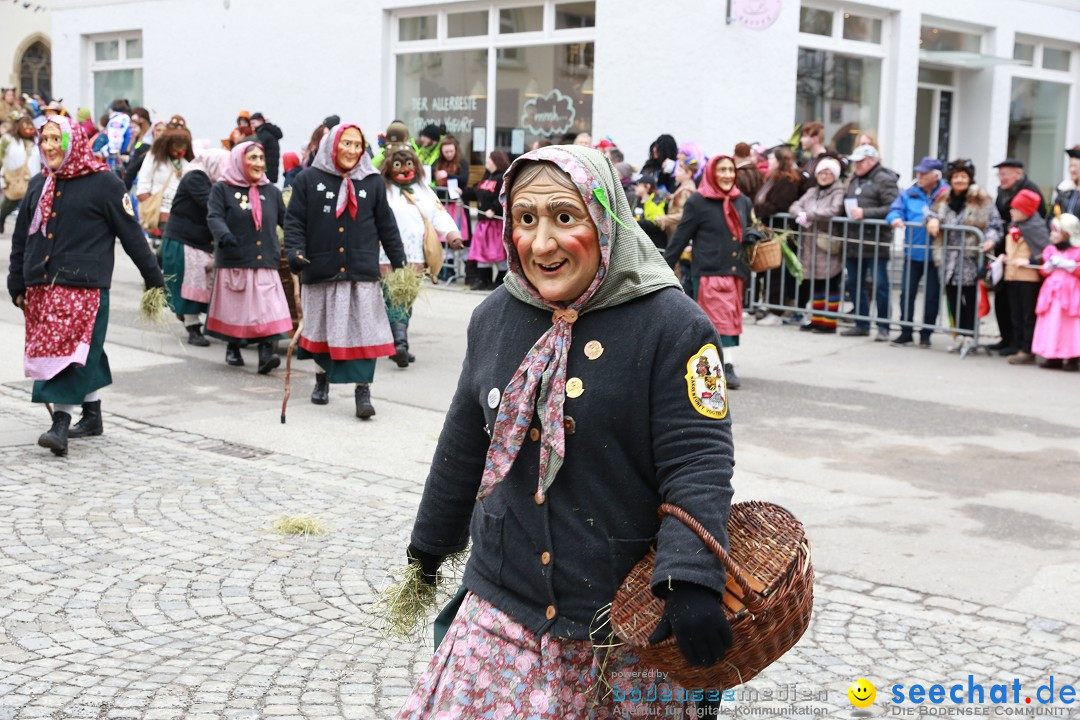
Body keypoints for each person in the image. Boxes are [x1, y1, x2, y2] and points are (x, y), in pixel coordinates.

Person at [397, 145, 734, 719]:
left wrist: (690, 577)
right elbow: (463, 444)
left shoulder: (675, 325)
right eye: (526, 219)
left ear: (605, 219)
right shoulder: (496, 316)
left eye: (565, 216)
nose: (542, 242)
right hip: (505, 602)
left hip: (622, 623)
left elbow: (698, 460)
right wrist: (428, 550)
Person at [7, 115, 165, 456]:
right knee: (84, 350)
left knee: (69, 355)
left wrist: (153, 278)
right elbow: (21, 239)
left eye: (55, 139)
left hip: (85, 287)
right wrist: (16, 281)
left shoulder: (105, 183)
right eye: (44, 139)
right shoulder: (40, 183)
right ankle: (92, 416)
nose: (49, 146)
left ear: (73, 142)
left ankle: (60, 424)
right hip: (42, 288)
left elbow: (132, 234)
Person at [285, 123, 408, 417]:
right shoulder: (307, 179)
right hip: (321, 271)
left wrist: (399, 263)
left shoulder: (372, 182)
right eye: (347, 143)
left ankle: (363, 391)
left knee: (366, 333)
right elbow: (295, 222)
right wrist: (295, 252)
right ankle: (321, 379)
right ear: (332, 145)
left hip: (361, 273)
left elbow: (387, 227)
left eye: (357, 145)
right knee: (323, 330)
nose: (352, 150)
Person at [665, 155, 756, 389]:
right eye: (722, 170)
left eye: (730, 169)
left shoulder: (742, 200)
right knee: (717, 321)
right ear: (711, 173)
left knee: (730, 321)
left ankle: (719, 365)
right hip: (709, 271)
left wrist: (752, 236)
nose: (727, 174)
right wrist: (662, 268)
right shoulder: (698, 201)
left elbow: (747, 230)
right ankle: (724, 368)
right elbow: (681, 236)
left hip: (734, 270)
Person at [205, 141, 291, 372]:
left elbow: (288, 221)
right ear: (238, 160)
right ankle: (233, 346)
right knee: (238, 308)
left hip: (266, 260)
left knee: (267, 308)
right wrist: (224, 235)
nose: (258, 163)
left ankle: (265, 354)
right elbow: (214, 216)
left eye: (261, 158)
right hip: (236, 258)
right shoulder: (222, 189)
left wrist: (302, 242)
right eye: (252, 158)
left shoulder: (271, 191)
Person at [380, 140, 463, 365]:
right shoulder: (382, 189)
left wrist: (452, 234)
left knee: (406, 297)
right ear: (389, 165)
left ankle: (397, 342)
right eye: (399, 165)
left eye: (409, 164)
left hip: (416, 254)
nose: (405, 169)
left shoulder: (423, 189)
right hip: (385, 253)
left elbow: (438, 213)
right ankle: (399, 342)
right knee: (392, 297)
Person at [926, 160, 1003, 354]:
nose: (959, 180)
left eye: (963, 176)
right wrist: (932, 220)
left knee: (969, 297)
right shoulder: (943, 197)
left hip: (969, 257)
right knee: (952, 297)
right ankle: (959, 334)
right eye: (956, 176)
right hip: (947, 257)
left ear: (969, 179)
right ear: (950, 179)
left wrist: (990, 240)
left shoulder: (981, 198)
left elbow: (995, 224)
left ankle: (970, 335)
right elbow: (928, 213)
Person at [161, 149, 230, 347]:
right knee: (193, 284)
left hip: (200, 241)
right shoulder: (196, 177)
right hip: (185, 241)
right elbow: (211, 204)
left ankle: (190, 318)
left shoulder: (210, 178)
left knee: (203, 284)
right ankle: (193, 328)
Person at [887, 157, 948, 347]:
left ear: (935, 176)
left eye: (924, 173)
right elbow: (894, 210)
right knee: (907, 293)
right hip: (912, 253)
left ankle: (926, 334)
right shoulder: (909, 192)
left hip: (936, 255)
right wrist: (895, 218)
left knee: (931, 296)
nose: (919, 176)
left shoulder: (946, 193)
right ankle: (905, 331)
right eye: (918, 172)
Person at [841, 144, 899, 340]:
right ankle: (861, 323)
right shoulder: (854, 178)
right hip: (854, 241)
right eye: (855, 161)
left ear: (872, 161)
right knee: (855, 283)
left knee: (880, 284)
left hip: (876, 242)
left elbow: (893, 207)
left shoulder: (885, 179)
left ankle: (883, 326)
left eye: (860, 161)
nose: (856, 165)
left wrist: (866, 213)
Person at [991, 158, 1047, 356]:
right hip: (1010, 264)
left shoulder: (1031, 192)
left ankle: (1023, 345)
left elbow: (1041, 245)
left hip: (1026, 271)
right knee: (1006, 304)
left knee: (1025, 312)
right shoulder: (1002, 193)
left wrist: (1031, 260)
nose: (1001, 179)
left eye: (1005, 174)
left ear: (1018, 174)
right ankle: (1007, 338)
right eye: (1000, 175)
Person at [790, 157, 846, 333]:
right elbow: (794, 205)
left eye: (828, 173)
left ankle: (829, 323)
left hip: (828, 244)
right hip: (811, 245)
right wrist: (800, 213)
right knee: (816, 283)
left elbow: (835, 209)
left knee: (830, 284)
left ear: (835, 175)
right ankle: (816, 318)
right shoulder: (813, 191)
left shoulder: (838, 190)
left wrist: (810, 215)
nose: (824, 176)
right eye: (822, 172)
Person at [753, 145, 804, 326]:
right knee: (770, 272)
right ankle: (770, 306)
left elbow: (779, 204)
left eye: (772, 159)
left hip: (781, 233)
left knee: (778, 273)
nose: (769, 162)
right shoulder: (773, 179)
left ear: (780, 161)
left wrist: (758, 209)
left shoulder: (786, 181)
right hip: (770, 231)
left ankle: (777, 310)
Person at [1001, 189, 1051, 366]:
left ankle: (1028, 349)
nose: (1011, 212)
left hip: (1029, 278)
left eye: (1015, 209)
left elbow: (1046, 252)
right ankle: (1018, 345)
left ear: (1026, 210)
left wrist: (1029, 260)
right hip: (1013, 275)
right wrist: (1005, 257)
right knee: (1015, 314)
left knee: (1027, 315)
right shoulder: (1014, 226)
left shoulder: (1035, 227)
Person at [1031, 213, 1080, 371]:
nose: (1051, 234)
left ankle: (1072, 356)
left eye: (1055, 231)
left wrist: (1069, 265)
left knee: (1070, 324)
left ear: (1067, 233)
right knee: (1052, 322)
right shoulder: (1050, 250)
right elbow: (1044, 272)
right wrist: (1048, 267)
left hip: (1071, 291)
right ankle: (1053, 355)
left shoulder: (1077, 251)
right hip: (1052, 292)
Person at [135, 119, 193, 232]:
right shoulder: (154, 157)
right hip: (160, 216)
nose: (179, 151)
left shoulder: (187, 163)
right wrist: (154, 214)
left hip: (182, 218)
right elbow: (142, 188)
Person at [463, 150, 509, 290]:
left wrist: (494, 209)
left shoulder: (502, 178)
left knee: (497, 252)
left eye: (490, 159)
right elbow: (477, 192)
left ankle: (500, 279)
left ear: (496, 161)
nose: (487, 161)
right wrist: (463, 192)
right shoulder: (486, 177)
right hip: (483, 222)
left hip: (495, 222)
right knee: (481, 251)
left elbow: (504, 197)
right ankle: (483, 279)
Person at [1, 114, 40, 235]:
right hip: (14, 178)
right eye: (25, 127)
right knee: (10, 203)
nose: (28, 130)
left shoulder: (37, 141)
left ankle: (29, 231)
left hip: (34, 178)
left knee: (31, 206)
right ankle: (1, 219)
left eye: (30, 126)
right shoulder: (8, 140)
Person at [249, 112, 283, 183]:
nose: (251, 126)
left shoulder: (262, 134)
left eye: (253, 123)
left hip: (265, 171)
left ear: (260, 121)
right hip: (272, 170)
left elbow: (256, 150)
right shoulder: (271, 132)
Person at [1051, 147, 1080, 219]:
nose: (1072, 170)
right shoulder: (1063, 188)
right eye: (1070, 166)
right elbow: (1052, 216)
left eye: (1075, 166)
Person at [798, 121, 828, 189]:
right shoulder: (811, 159)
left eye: (805, 136)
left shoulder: (825, 161)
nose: (801, 140)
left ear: (814, 139)